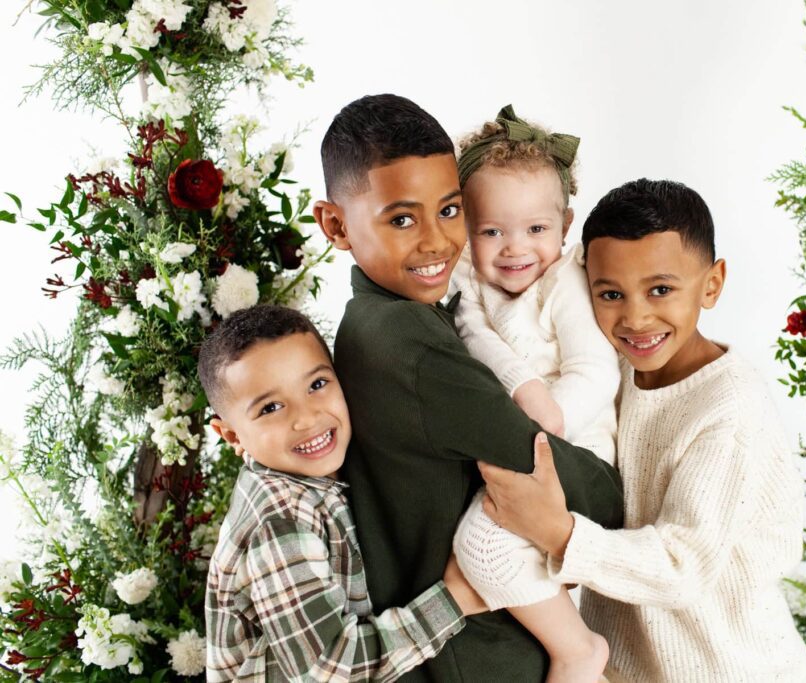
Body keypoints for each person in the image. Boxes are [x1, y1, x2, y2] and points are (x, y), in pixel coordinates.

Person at [312, 93, 624, 683]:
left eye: (450, 210)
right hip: (478, 659)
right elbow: (560, 478)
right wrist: (611, 491)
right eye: (402, 219)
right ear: (336, 225)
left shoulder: (385, 318)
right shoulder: (406, 340)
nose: (437, 242)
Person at [479, 179, 806, 682]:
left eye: (661, 290)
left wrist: (556, 531)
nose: (635, 317)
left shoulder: (729, 411)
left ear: (712, 285)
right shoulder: (613, 369)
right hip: (626, 668)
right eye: (611, 294)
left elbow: (681, 566)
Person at [200, 304, 485, 682]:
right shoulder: (279, 520)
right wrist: (456, 600)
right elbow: (329, 670)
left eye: (317, 385)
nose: (307, 418)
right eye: (271, 407)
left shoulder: (326, 472)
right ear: (232, 436)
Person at [449, 105, 619, 683]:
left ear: (565, 225)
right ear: (464, 227)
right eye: (491, 231)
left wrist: (549, 421)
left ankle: (578, 650)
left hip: (576, 449)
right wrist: (521, 385)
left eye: (536, 230)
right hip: (519, 436)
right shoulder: (469, 278)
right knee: (484, 547)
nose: (514, 248)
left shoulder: (564, 281)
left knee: (481, 546)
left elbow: (597, 372)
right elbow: (472, 333)